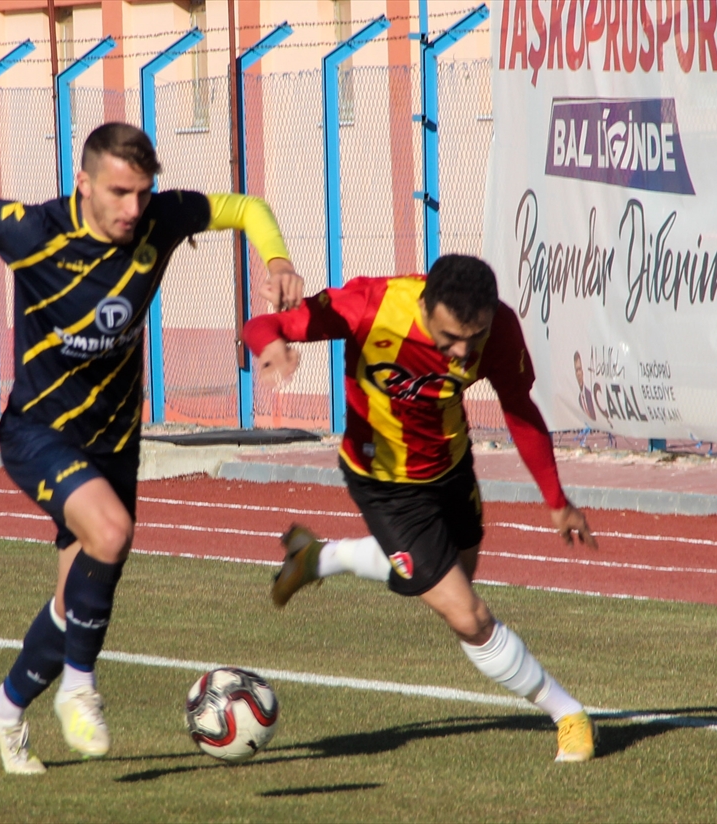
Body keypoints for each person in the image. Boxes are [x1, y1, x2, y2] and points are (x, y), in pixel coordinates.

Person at [0, 122, 301, 774]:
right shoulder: (32, 229)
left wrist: (276, 258)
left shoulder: (161, 220)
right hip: (38, 432)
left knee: (73, 598)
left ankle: (5, 708)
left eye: (142, 192)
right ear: (83, 184)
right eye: (118, 192)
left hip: (114, 440)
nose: (133, 209)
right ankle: (80, 687)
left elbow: (246, 208)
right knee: (111, 532)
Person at [241, 254, 600, 763]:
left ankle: (320, 558)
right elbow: (263, 323)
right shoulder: (373, 305)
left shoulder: (498, 329)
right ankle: (568, 714)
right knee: (469, 616)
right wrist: (270, 343)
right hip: (386, 485)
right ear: (425, 305)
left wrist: (557, 501)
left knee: (450, 580)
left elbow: (519, 409)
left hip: (452, 471)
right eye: (450, 338)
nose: (462, 353)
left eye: (473, 339)